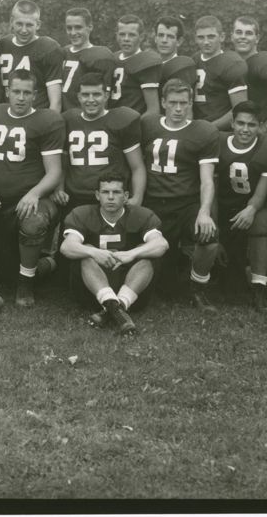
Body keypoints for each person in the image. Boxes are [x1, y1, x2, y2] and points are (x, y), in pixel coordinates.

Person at [0, 69, 65, 307]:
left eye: (26, 93)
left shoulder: (47, 120)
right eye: (16, 91)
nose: (21, 97)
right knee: (6, 276)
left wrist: (34, 194)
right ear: (7, 92)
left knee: (33, 223)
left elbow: (54, 172)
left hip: (37, 200)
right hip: (2, 204)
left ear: (35, 95)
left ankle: (26, 284)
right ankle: (49, 263)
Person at [140, 78, 221, 310]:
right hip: (153, 200)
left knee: (209, 238)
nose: (178, 109)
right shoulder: (148, 125)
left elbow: (207, 180)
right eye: (173, 102)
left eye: (183, 103)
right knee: (163, 283)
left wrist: (204, 212)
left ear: (190, 103)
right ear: (163, 102)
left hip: (186, 202)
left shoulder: (203, 131)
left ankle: (198, 288)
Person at [60, 170, 168, 336]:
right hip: (92, 290)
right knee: (84, 253)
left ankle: (116, 306)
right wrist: (94, 252)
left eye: (116, 192)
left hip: (131, 288)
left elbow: (161, 244)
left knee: (148, 256)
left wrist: (132, 253)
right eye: (105, 192)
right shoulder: (82, 213)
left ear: (125, 196)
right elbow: (67, 247)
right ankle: (115, 306)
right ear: (97, 195)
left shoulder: (141, 214)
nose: (110, 197)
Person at [214, 101, 267, 310]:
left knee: (259, 224)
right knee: (231, 288)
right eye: (241, 123)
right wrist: (216, 231)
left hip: (256, 206)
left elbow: (262, 191)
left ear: (260, 126)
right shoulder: (218, 143)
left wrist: (252, 209)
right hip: (227, 209)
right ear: (232, 124)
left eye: (252, 125)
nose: (245, 130)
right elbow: (214, 190)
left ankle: (259, 288)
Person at [58, 72, 145, 215]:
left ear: (106, 95)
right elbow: (63, 163)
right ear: (78, 97)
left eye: (96, 94)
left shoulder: (121, 120)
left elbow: (137, 166)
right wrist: (59, 188)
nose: (91, 100)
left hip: (111, 198)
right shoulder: (68, 119)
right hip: (75, 198)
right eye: (85, 95)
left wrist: (138, 197)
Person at [0, 0, 64, 112]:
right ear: (11, 22)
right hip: (7, 118)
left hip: (37, 118)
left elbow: (56, 102)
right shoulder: (3, 44)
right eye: (19, 24)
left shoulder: (48, 48)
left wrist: (49, 124)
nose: (24, 30)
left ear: (38, 24)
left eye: (29, 25)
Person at [192, 15, 248, 129]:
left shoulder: (231, 63)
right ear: (195, 39)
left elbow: (240, 109)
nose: (206, 42)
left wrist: (210, 128)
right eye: (201, 37)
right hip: (196, 127)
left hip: (222, 131)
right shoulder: (194, 59)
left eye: (211, 36)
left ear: (222, 37)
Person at [60, 7, 116, 112]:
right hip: (62, 115)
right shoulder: (63, 52)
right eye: (69, 28)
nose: (73, 32)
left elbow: (103, 98)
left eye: (78, 27)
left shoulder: (99, 55)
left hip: (84, 118)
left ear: (90, 27)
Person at [110, 14, 162, 116]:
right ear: (116, 35)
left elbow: (153, 110)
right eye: (122, 34)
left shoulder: (145, 62)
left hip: (132, 123)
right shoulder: (112, 58)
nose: (126, 39)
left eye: (132, 35)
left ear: (141, 37)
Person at [153, 15, 197, 97]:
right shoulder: (151, 65)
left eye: (170, 36)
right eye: (161, 35)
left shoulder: (182, 68)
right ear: (155, 38)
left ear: (179, 41)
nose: (164, 40)